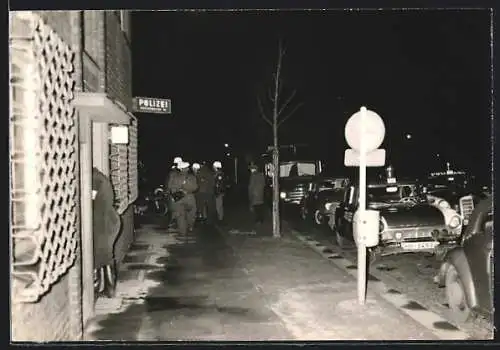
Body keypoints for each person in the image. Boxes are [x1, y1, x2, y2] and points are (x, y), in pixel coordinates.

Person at [92, 167, 121, 297]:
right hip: (108, 220)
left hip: (105, 223)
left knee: (103, 254)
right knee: (103, 254)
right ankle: (106, 287)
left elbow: (90, 201)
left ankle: (107, 288)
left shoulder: (94, 179)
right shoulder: (100, 177)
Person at [167, 161, 198, 236]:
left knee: (180, 216)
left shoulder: (175, 177)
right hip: (190, 198)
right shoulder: (192, 177)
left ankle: (182, 232)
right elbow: (196, 187)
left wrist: (178, 190)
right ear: (187, 169)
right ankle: (190, 226)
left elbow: (170, 187)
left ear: (180, 169)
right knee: (191, 213)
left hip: (179, 199)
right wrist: (187, 190)